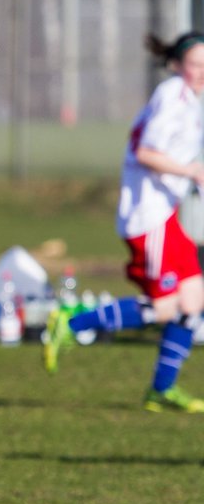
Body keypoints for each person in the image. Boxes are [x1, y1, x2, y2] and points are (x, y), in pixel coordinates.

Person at [44, 31, 204, 412]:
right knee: (166, 308)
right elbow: (146, 151)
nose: (201, 72)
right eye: (195, 64)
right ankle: (74, 323)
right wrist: (192, 172)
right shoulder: (171, 96)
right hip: (147, 218)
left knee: (194, 301)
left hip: (165, 215)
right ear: (177, 65)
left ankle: (161, 389)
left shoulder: (190, 102)